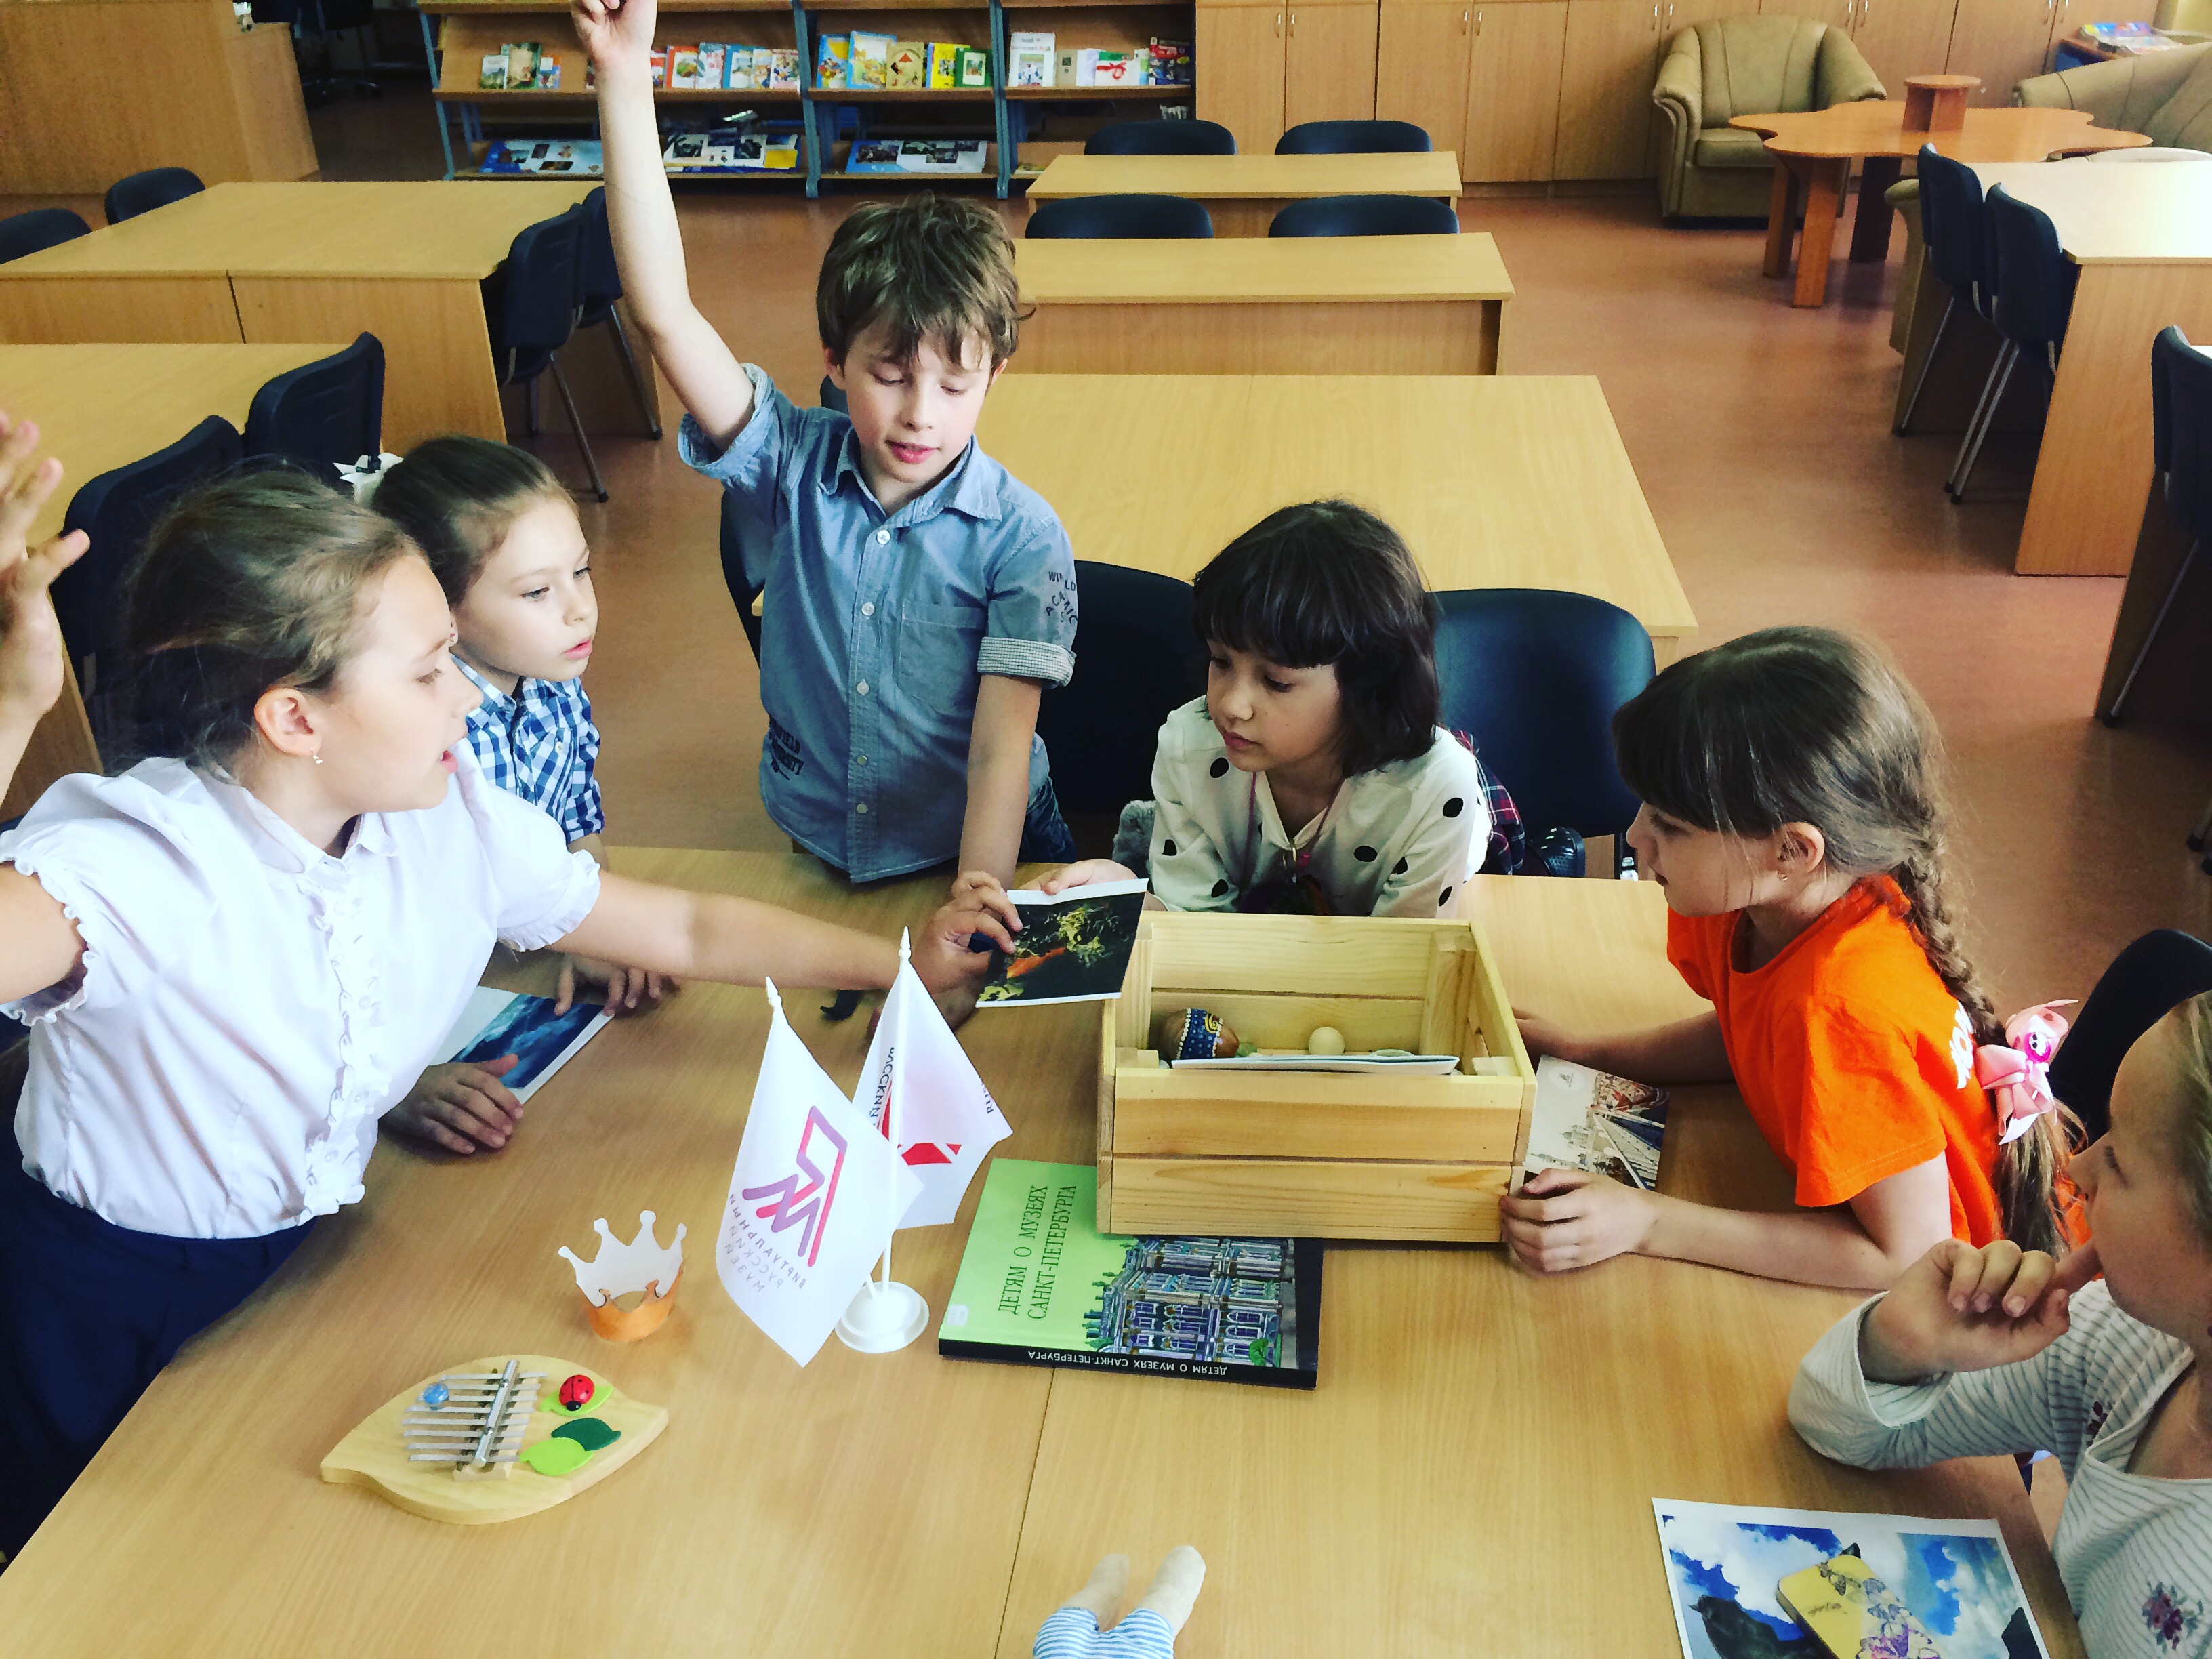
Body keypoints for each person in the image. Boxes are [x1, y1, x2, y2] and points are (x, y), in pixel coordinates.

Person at [0, 422, 1016, 1556]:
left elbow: (681, 925)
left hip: (295, 1264)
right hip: (90, 1300)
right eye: (428, 671)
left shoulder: (443, 815)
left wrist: (901, 963)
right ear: (294, 717)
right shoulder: (142, 863)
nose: (464, 699)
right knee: (85, 1562)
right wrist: (9, 709)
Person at [572, 0, 1080, 892]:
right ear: (835, 361)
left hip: (978, 848)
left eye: (955, 386)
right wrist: (622, 75)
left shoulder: (1024, 540)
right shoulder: (788, 461)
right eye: (890, 375)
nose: (920, 415)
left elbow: (1001, 751)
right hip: (820, 837)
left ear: (994, 376)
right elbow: (665, 315)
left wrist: (978, 889)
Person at [1504, 627, 2072, 1290]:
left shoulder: (1841, 1008)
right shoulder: (1752, 901)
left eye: (1671, 825)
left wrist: (1647, 1223)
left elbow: (1908, 1254)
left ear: (1791, 852)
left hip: (1967, 1297)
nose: (1635, 837)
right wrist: (1590, 1051)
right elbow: (1755, 1031)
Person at [1789, 992, 2212, 1659]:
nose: (2077, 1167)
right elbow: (1834, 1425)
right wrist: (1896, 1349)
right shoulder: (2122, 1341)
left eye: (2120, 1162)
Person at [372, 436, 657, 1142]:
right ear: (440, 611)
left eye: (581, 572)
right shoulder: (413, 740)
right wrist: (395, 1086)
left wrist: (596, 925)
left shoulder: (552, 679)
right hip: (400, 1025)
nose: (580, 610)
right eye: (537, 592)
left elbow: (576, 814)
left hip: (509, 964)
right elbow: (361, 945)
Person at [1039, 501, 1491, 918]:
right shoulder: (1189, 746)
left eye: (1276, 682)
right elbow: (1200, 929)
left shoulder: (1434, 790)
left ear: (1368, 683)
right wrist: (1140, 903)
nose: (1231, 706)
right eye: (1221, 661)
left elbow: (1402, 958)